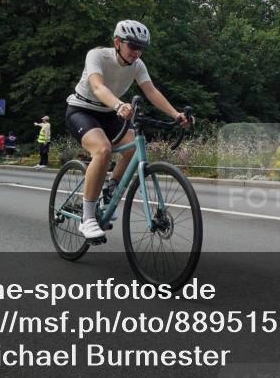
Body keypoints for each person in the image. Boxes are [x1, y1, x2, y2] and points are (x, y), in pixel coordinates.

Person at [64, 20, 191, 240]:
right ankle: (88, 218)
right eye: (132, 46)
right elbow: (97, 87)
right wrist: (119, 105)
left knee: (133, 148)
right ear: (117, 42)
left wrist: (175, 114)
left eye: (141, 48)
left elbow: (151, 92)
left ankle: (111, 189)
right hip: (82, 110)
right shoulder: (97, 56)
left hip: (111, 113)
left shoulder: (138, 65)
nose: (137, 52)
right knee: (102, 150)